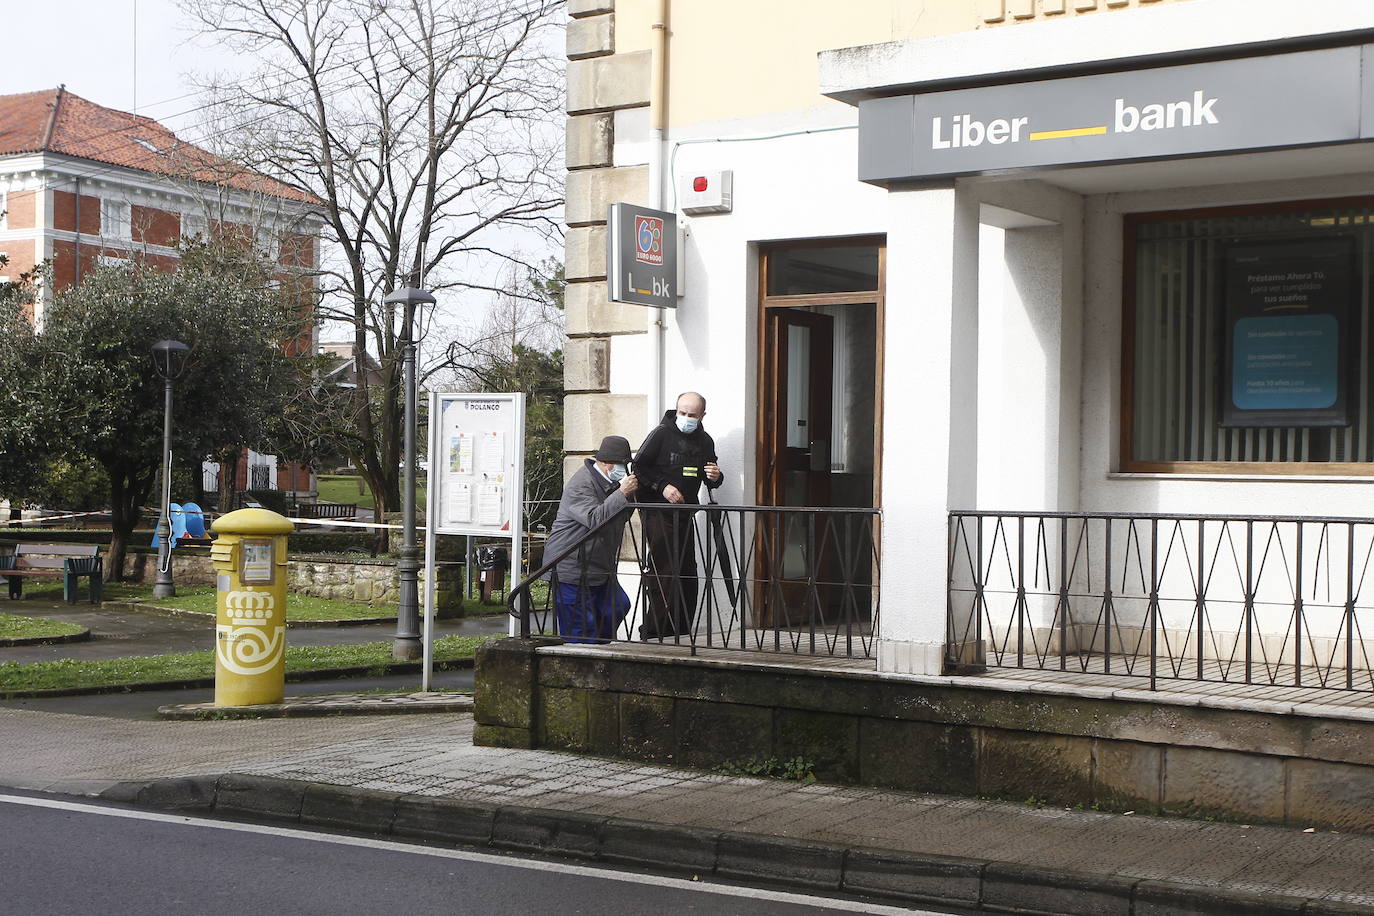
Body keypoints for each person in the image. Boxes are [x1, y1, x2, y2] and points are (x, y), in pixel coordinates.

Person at [633, 391, 723, 640]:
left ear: (702, 415)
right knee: (666, 569)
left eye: (692, 415)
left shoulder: (705, 441)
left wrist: (716, 476)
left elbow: (710, 475)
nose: (685, 418)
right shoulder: (661, 434)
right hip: (657, 511)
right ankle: (654, 630)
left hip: (685, 513)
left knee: (687, 571)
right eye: (682, 413)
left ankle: (682, 628)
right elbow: (638, 466)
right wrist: (662, 486)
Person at [543, 435, 639, 644]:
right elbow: (595, 519)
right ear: (605, 463)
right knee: (580, 629)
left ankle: (598, 650)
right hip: (572, 566)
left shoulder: (610, 482)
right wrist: (622, 493)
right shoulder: (582, 483)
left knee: (617, 606)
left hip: (598, 565)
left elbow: (620, 517)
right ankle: (584, 662)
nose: (624, 469)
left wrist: (628, 495)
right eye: (621, 465)